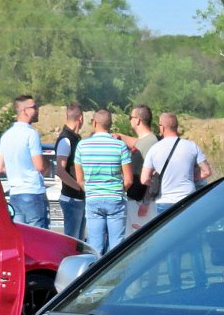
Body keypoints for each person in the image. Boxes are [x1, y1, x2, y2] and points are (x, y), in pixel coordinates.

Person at [76, 109, 133, 254]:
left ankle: (95, 273)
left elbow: (79, 180)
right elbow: (128, 179)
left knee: (95, 245)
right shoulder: (120, 146)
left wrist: (91, 190)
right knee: (117, 244)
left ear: (94, 123)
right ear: (110, 125)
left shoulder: (82, 146)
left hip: (93, 198)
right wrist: (117, 190)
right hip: (115, 198)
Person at [140, 112, 212, 215]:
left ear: (162, 127)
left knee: (168, 230)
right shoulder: (191, 146)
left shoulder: (154, 149)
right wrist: (192, 177)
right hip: (188, 198)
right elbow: (207, 172)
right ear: (176, 127)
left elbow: (144, 179)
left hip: (164, 200)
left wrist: (157, 183)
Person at [0, 94, 49, 229]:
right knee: (38, 238)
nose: (37, 110)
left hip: (15, 194)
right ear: (24, 110)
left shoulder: (6, 136)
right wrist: (47, 164)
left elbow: (0, 167)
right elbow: (39, 166)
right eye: (34, 107)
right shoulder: (31, 134)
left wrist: (17, 169)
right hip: (32, 191)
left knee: (21, 236)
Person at [53, 102, 86, 240]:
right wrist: (79, 187)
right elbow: (60, 171)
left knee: (78, 242)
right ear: (81, 118)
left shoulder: (73, 138)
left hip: (76, 198)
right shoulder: (66, 140)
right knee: (72, 242)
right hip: (72, 198)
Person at [124, 104, 158, 234]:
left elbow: (154, 174)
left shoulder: (150, 142)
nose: (130, 120)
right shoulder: (143, 141)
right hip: (134, 200)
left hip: (141, 204)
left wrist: (145, 202)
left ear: (137, 120)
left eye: (130, 117)